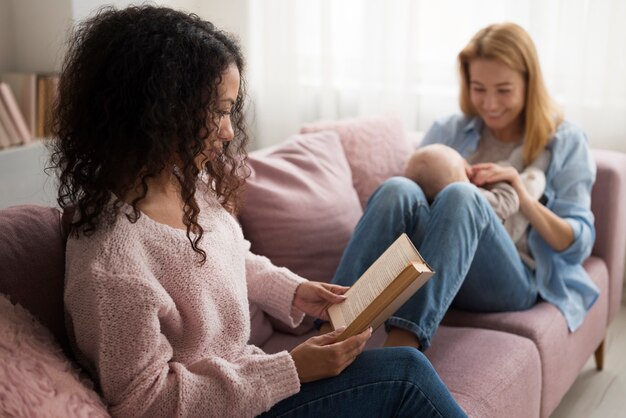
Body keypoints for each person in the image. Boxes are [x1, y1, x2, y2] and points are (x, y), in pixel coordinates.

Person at [50, 6, 466, 418]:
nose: (229, 131)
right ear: (155, 109)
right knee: (406, 374)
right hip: (235, 406)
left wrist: (295, 291)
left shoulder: (191, 185)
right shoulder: (111, 263)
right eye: (217, 110)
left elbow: (227, 258)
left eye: (229, 110)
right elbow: (143, 403)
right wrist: (291, 368)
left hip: (250, 383)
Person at [329, 22, 597, 351]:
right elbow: (413, 204)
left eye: (504, 90)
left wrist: (522, 195)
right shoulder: (448, 130)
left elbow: (577, 245)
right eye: (478, 88)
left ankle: (403, 344)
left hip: (510, 277)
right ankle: (333, 323)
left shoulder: (565, 141)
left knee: (462, 195)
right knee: (397, 188)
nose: (490, 103)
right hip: (443, 265)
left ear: (530, 84)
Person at [404, 143, 551, 247]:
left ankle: (510, 165)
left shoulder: (431, 203)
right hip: (509, 226)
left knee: (500, 170)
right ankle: (537, 163)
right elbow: (509, 201)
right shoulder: (469, 199)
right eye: (464, 167)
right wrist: (500, 181)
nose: (468, 165)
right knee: (532, 181)